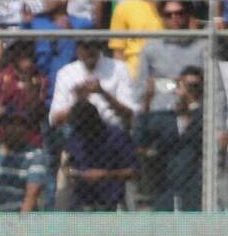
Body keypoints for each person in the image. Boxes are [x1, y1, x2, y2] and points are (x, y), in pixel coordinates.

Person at [135, 65, 203, 211]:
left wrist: (191, 101)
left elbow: (200, 130)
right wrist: (147, 98)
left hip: (195, 189)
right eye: (185, 85)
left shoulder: (204, 117)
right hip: (166, 188)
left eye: (193, 86)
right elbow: (141, 140)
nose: (188, 90)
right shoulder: (165, 119)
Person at [62, 100, 136, 211]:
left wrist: (105, 174)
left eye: (83, 127)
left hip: (111, 200)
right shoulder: (75, 136)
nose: (81, 132)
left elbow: (133, 172)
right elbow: (66, 167)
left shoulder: (116, 136)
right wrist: (78, 174)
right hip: (81, 200)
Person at [49, 39, 137, 130]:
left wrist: (103, 93)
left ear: (100, 48)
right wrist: (78, 101)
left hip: (110, 130)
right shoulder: (65, 72)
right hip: (76, 132)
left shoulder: (119, 68)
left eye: (94, 46)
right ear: (77, 50)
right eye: (86, 47)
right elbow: (55, 120)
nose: (90, 51)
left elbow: (131, 115)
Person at [109, 0, 165, 79]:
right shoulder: (124, 7)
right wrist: (123, 78)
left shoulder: (171, 6)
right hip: (133, 72)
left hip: (165, 70)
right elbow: (118, 49)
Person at [0, 113, 46, 212]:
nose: (17, 129)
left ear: (28, 131)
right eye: (12, 124)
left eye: (22, 125)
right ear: (3, 128)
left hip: (18, 215)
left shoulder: (35, 155)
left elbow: (32, 195)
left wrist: (20, 225)